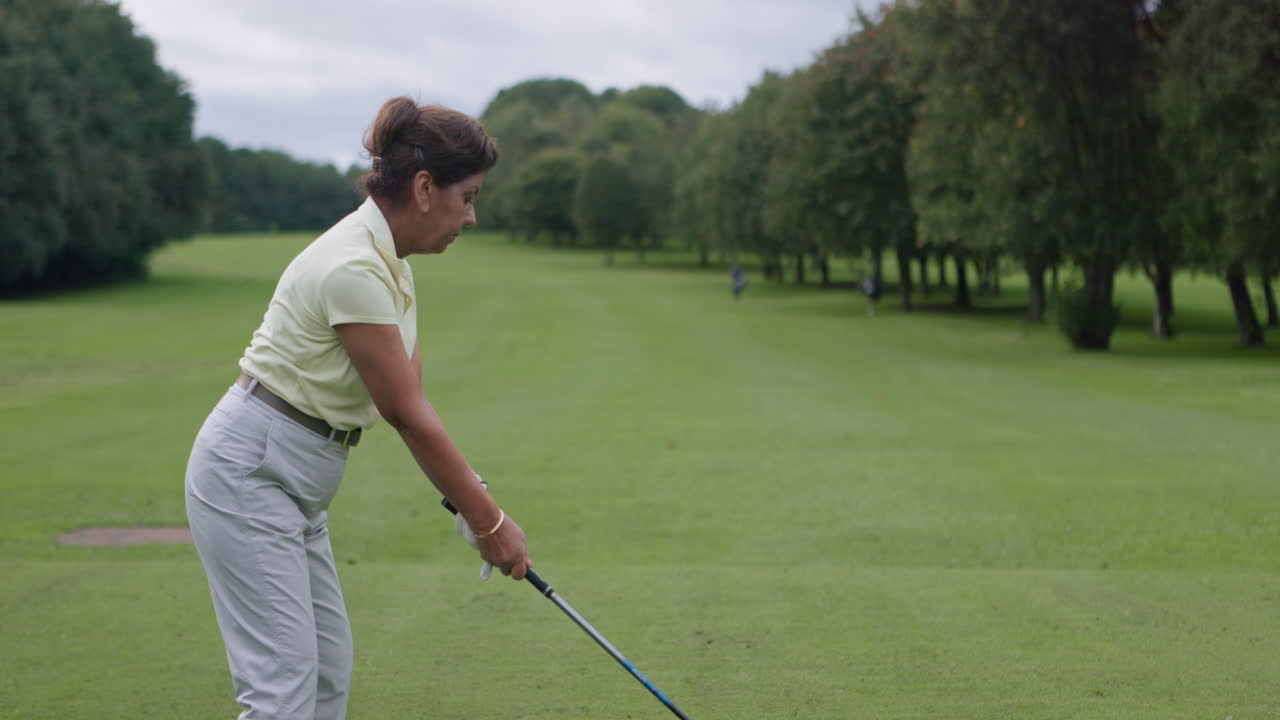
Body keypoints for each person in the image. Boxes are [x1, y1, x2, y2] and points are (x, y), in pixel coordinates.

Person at [184, 97, 531, 720]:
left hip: (292, 480)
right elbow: (404, 414)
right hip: (251, 472)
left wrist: (471, 497)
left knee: (324, 676)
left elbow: (412, 401)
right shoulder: (353, 266)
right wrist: (491, 523)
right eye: (469, 196)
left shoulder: (390, 261)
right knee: (283, 690)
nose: (472, 216)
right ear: (426, 188)